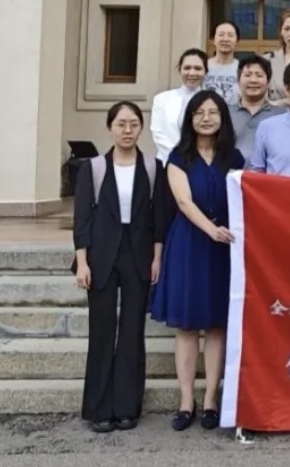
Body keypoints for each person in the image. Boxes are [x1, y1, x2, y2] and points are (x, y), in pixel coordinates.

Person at [150, 90, 243, 433]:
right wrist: (211, 230)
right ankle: (186, 402)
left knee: (217, 325)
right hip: (190, 244)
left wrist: (223, 233)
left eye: (213, 112)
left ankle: (211, 401)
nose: (206, 118)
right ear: (190, 119)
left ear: (223, 118)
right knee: (187, 327)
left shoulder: (233, 157)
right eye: (199, 112)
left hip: (223, 247)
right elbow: (184, 203)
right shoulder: (178, 157)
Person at [72, 101, 166, 433]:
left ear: (141, 128)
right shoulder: (93, 168)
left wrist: (156, 258)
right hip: (100, 256)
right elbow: (82, 219)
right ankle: (99, 409)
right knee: (101, 330)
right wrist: (82, 262)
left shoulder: (153, 167)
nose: (127, 130)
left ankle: (127, 407)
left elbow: (159, 218)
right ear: (109, 128)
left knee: (131, 331)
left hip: (138, 255)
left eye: (133, 124)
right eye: (121, 124)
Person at [149, 48, 207, 164]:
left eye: (198, 68)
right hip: (167, 162)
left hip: (202, 163)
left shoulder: (212, 101)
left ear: (206, 71)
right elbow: (158, 132)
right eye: (187, 68)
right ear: (180, 70)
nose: (192, 73)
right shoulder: (161, 99)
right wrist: (178, 158)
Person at [229, 55, 285, 161]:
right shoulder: (225, 113)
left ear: (268, 82)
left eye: (259, 75)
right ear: (238, 80)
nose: (253, 80)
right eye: (247, 75)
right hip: (232, 171)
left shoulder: (281, 115)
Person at [202, 20, 241, 106]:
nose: (225, 39)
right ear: (214, 40)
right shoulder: (203, 66)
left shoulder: (242, 68)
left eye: (230, 35)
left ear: (237, 41)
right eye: (221, 35)